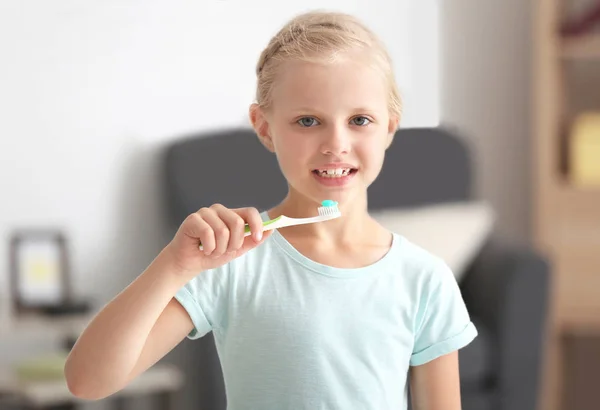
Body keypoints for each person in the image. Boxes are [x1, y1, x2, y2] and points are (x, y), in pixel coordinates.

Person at [64, 10, 477, 410]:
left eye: (360, 119)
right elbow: (87, 381)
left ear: (389, 126)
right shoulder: (230, 260)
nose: (336, 143)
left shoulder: (425, 279)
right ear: (264, 127)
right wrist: (173, 265)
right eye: (308, 121)